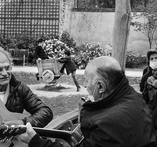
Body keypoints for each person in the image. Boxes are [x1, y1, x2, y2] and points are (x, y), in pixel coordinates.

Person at [18, 56, 157, 147]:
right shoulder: (134, 97)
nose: (84, 85)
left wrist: (37, 143)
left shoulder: (109, 123)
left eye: (86, 80)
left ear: (100, 86)